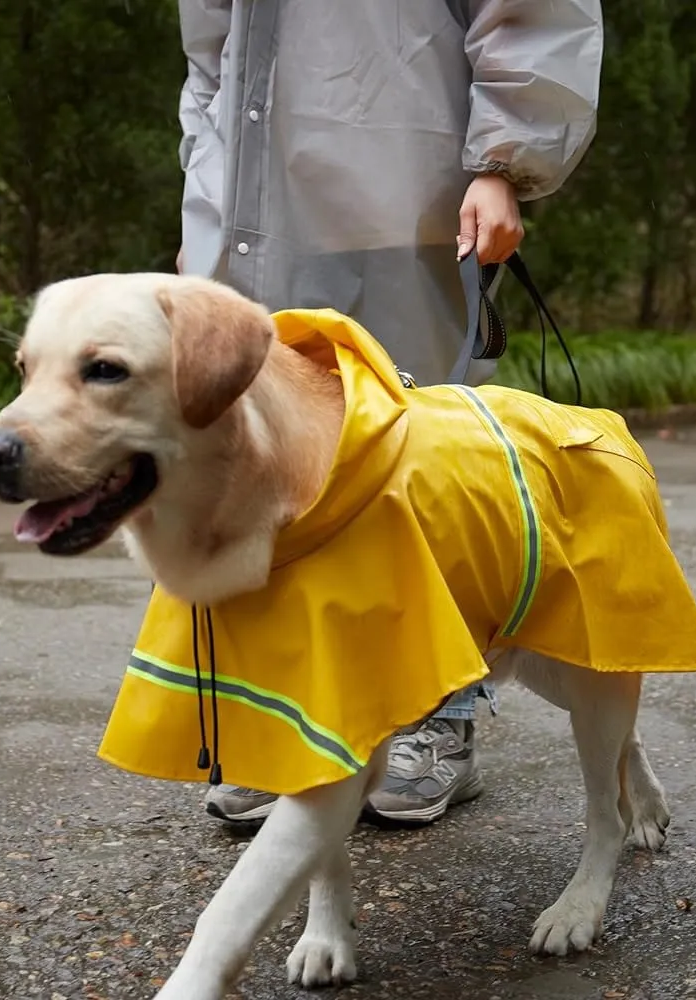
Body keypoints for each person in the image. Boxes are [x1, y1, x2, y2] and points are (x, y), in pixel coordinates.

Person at [172, 0, 604, 826]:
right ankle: (283, 721)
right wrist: (204, 192)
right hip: (255, 213)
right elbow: (210, 51)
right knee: (270, 469)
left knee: (419, 464)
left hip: (412, 199)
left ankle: (435, 716)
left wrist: (502, 162)